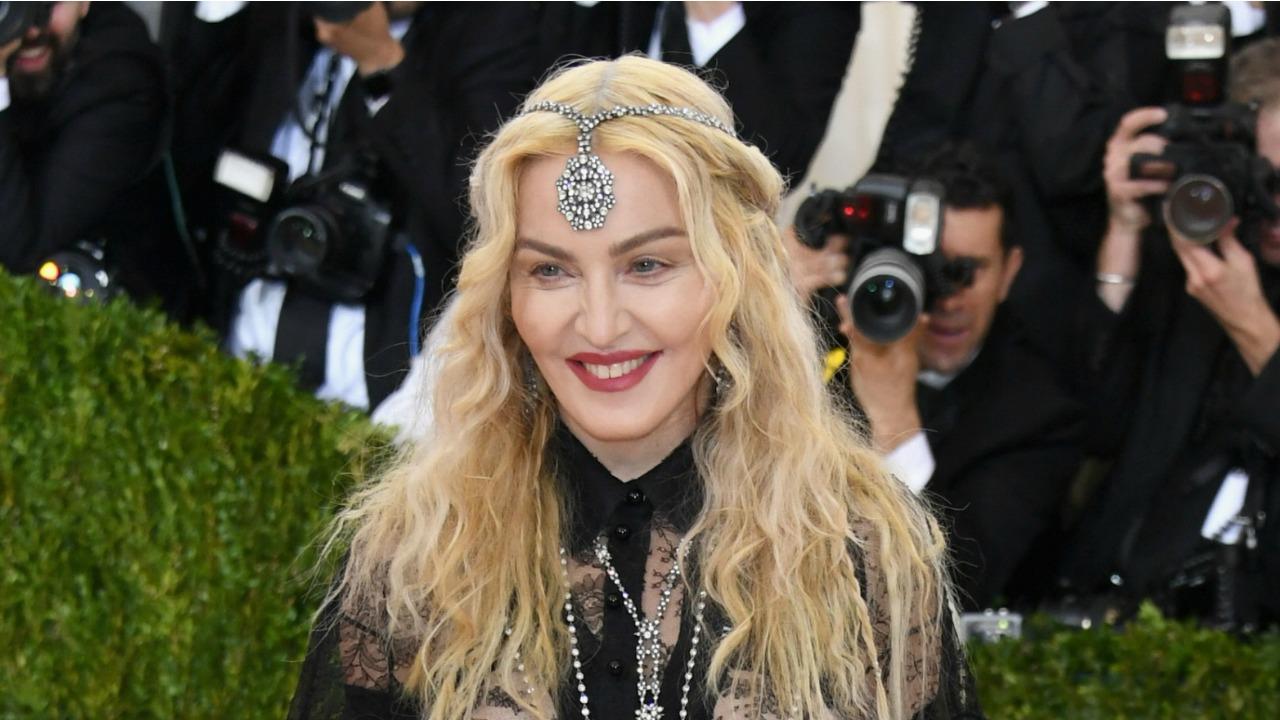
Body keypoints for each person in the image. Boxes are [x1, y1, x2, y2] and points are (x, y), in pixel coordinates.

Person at [287, 57, 980, 720]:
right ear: (504, 297)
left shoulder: (864, 550)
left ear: (735, 277)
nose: (599, 324)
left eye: (647, 264)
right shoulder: (414, 557)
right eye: (551, 271)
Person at [165, 1, 538, 411]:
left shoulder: (493, 30)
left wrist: (381, 62)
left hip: (379, 397)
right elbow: (175, 156)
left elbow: (479, 216)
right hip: (232, 365)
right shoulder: (278, 27)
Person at [1058, 38, 1280, 629]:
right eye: (1266, 181)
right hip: (1120, 603)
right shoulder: (1187, 264)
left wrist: (1255, 329)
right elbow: (1091, 423)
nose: (1276, 209)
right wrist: (1125, 232)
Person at [827, 146, 1084, 611]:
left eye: (964, 272)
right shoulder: (821, 347)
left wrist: (893, 421)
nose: (945, 298)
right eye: (925, 268)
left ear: (1009, 272)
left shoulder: (1039, 411)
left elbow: (961, 588)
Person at [0, 2, 191, 316]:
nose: (30, 29)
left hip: (107, 313)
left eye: (48, 5)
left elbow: (21, 249)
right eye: (12, 5)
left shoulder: (120, 82)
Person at [535, 1, 860, 184]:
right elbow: (553, 94)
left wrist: (713, 16)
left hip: (717, 234)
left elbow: (779, 159)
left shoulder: (820, 9)